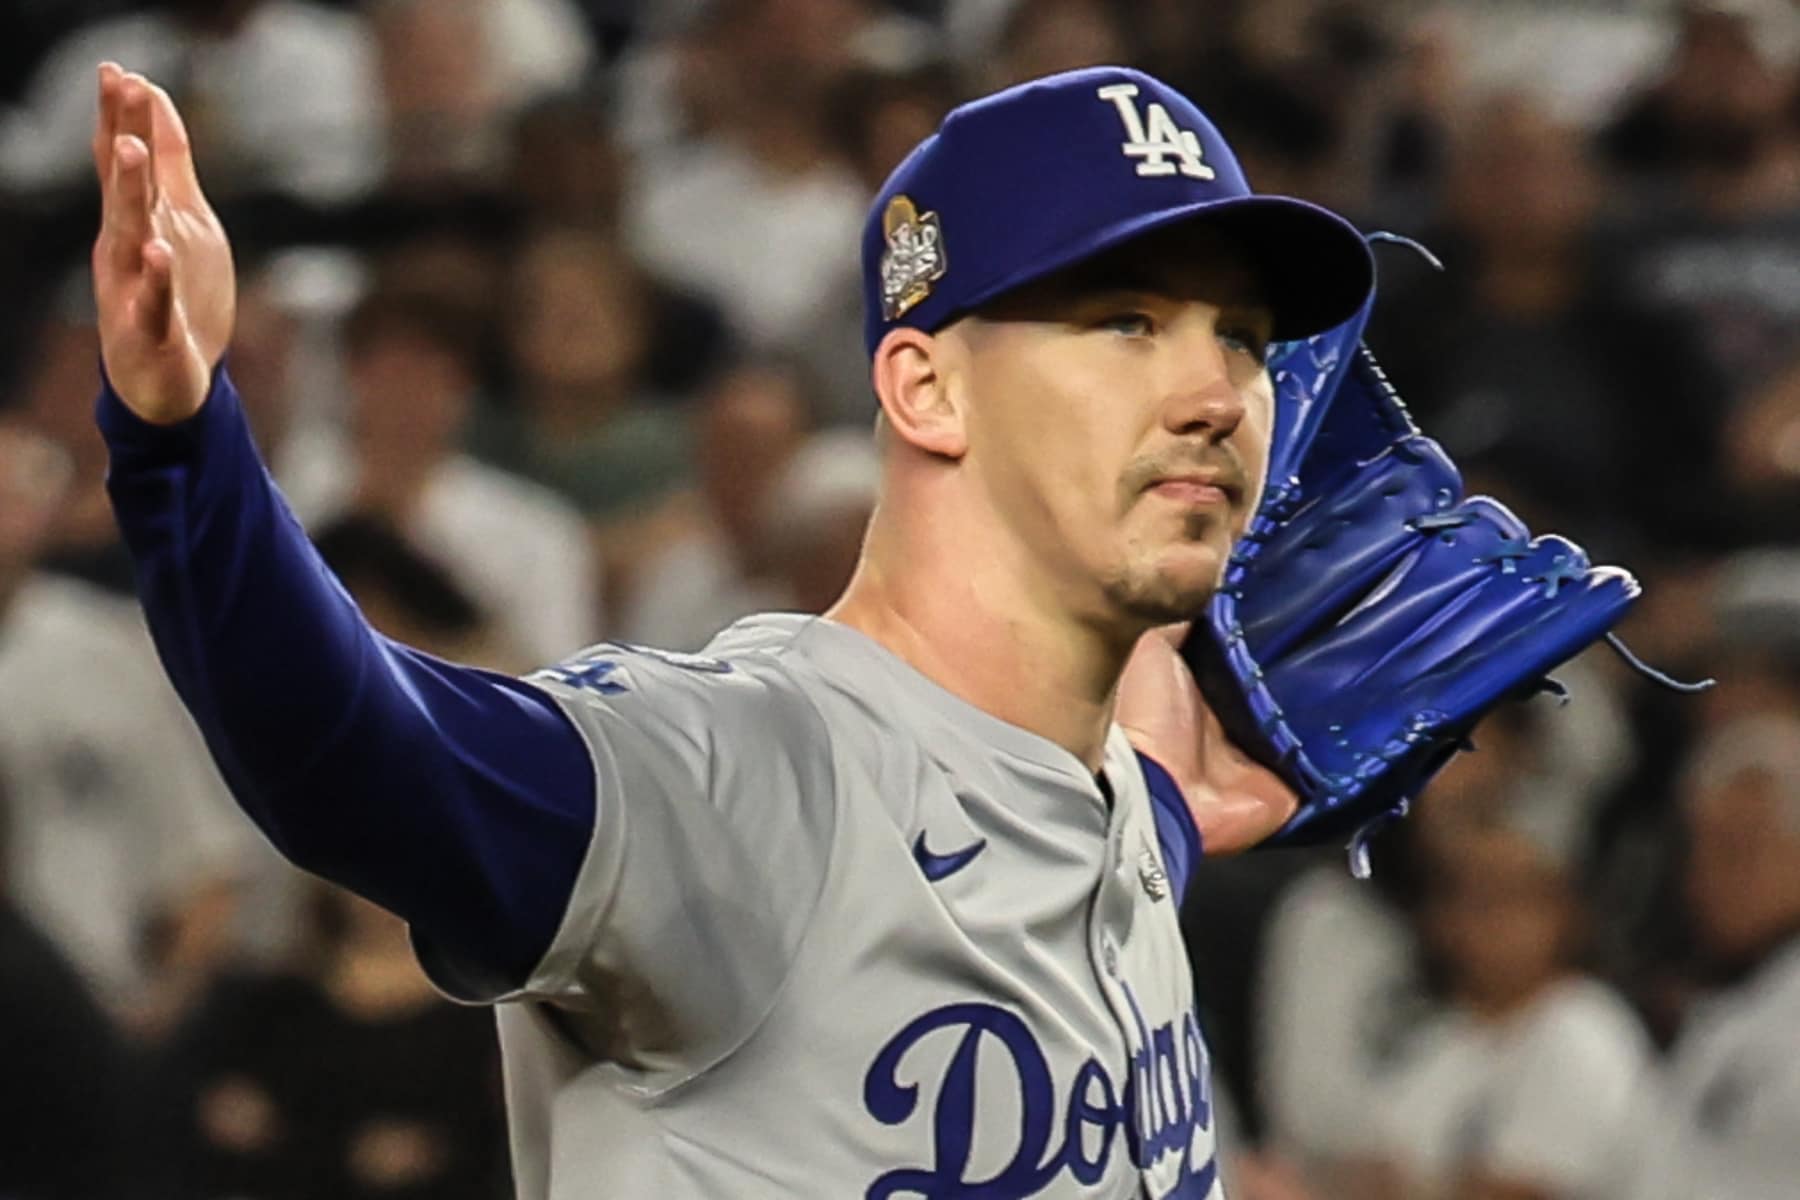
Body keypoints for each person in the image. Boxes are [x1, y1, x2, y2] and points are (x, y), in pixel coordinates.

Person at [91, 59, 1375, 1197]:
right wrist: (181, 444)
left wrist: (1158, 802)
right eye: (1128, 322)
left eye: (1246, 340)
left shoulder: (1116, 810)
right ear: (927, 390)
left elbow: (1009, 827)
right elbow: (355, 753)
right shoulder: (751, 774)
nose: (1219, 394)